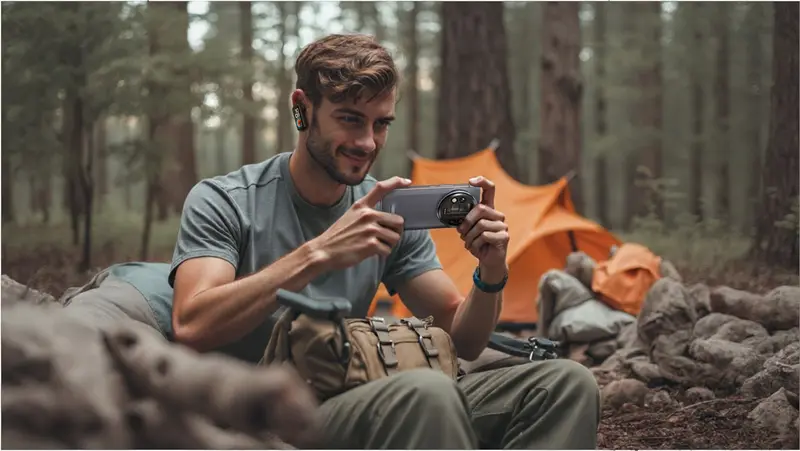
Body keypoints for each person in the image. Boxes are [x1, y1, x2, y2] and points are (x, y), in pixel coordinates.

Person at [63, 33, 600, 449]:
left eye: (381, 124)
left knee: (566, 384)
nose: (367, 142)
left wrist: (491, 272)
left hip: (353, 392)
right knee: (425, 392)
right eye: (349, 119)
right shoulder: (225, 200)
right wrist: (319, 253)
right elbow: (193, 325)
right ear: (302, 108)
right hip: (266, 416)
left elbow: (464, 339)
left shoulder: (386, 210)